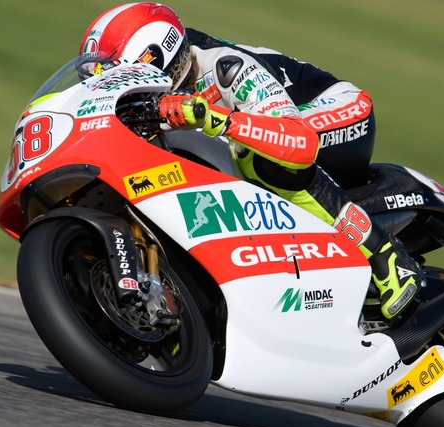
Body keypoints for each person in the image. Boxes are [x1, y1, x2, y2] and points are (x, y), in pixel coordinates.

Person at [79, 2, 422, 322]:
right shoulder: (144, 100)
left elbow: (299, 142)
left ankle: (385, 255)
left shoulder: (225, 65)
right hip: (283, 127)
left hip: (337, 112)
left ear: (157, 59)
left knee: (253, 155)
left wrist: (214, 118)